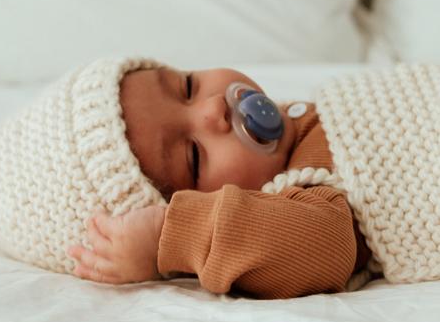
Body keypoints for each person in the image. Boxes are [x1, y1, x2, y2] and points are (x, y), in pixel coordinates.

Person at [68, 65, 373, 298]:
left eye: (187, 87)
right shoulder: (309, 203)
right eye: (193, 156)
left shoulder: (316, 118)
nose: (213, 108)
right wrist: (175, 233)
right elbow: (324, 244)